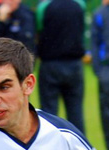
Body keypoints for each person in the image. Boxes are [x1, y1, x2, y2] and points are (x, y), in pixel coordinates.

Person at [37, 0, 86, 134]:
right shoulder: (79, 4)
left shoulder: (44, 6)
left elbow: (39, 30)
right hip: (74, 65)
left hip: (50, 65)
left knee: (49, 114)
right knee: (76, 112)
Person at [90, 0, 109, 150]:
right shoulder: (99, 14)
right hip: (106, 70)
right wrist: (99, 70)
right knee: (106, 113)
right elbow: (95, 44)